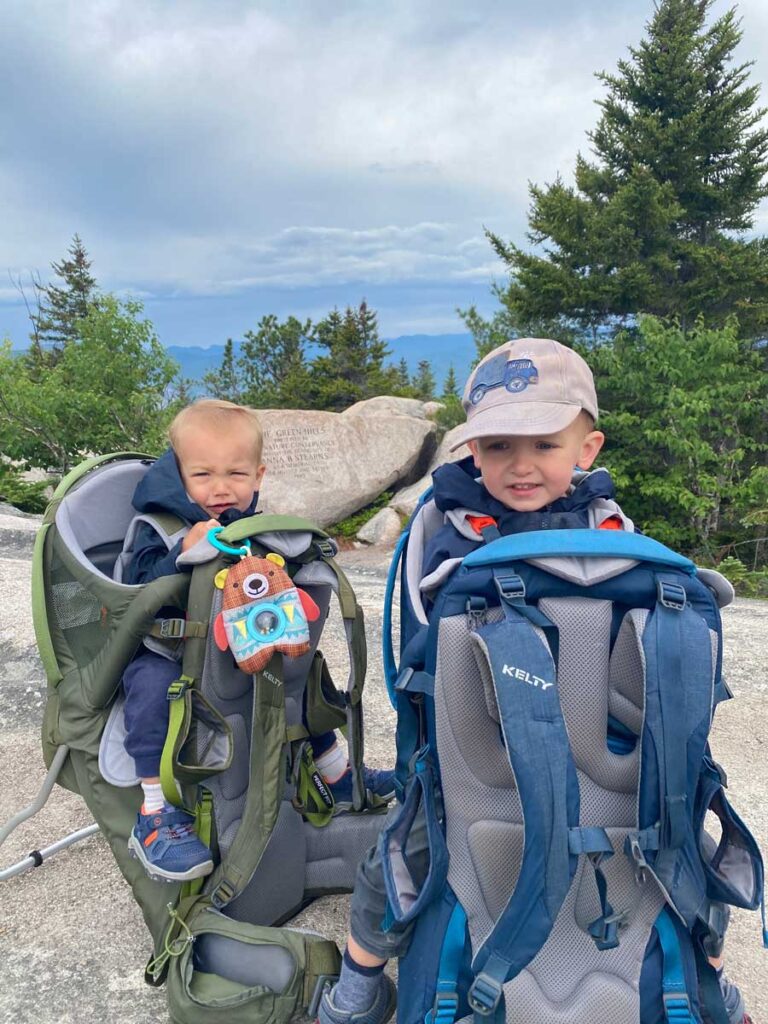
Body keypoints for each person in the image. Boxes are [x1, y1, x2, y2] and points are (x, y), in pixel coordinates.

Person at [317, 339, 750, 1024]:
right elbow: (423, 656)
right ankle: (360, 980)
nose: (520, 466)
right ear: (471, 453)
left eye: (545, 445)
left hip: (595, 740)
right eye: (497, 447)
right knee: (397, 859)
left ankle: (714, 979)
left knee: (691, 855)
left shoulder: (611, 526)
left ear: (587, 448)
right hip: (478, 747)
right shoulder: (446, 525)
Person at [122, 398, 395, 883]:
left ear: (259, 474)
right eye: (203, 476)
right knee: (148, 686)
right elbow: (137, 588)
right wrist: (181, 556)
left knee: (303, 673)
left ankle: (337, 769)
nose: (221, 489)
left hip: (241, 646)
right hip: (173, 650)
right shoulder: (160, 528)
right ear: (179, 474)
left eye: (236, 475)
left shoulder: (253, 525)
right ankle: (155, 811)